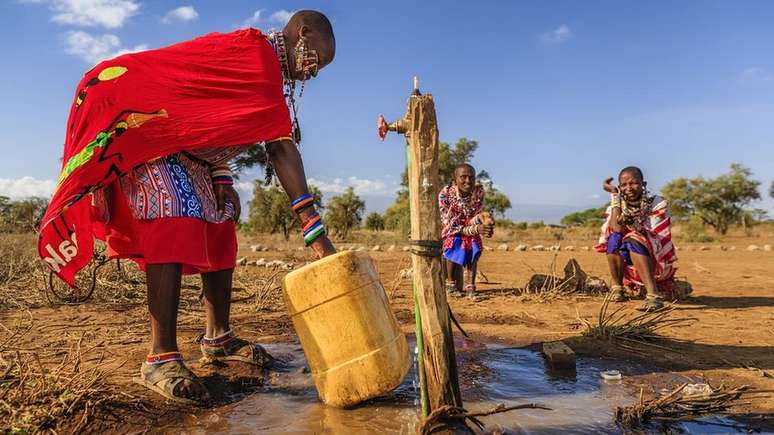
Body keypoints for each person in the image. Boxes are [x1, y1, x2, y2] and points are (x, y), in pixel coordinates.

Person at [39, 11, 337, 405]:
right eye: (316, 59)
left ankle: (218, 337)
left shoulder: (262, 67)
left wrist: (221, 178)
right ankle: (159, 358)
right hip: (139, 121)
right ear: (303, 33)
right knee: (173, 212)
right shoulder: (257, 55)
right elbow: (280, 147)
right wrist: (315, 231)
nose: (311, 73)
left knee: (220, 222)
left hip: (180, 145)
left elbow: (208, 118)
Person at [595, 166, 680, 312]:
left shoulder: (657, 202)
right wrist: (615, 195)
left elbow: (656, 237)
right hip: (630, 263)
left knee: (633, 238)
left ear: (643, 184)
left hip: (655, 261)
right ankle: (617, 288)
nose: (629, 188)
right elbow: (615, 228)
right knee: (613, 238)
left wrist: (632, 224)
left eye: (633, 183)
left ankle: (653, 296)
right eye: (623, 185)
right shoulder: (618, 204)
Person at [439, 164, 494, 300]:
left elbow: (474, 216)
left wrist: (484, 222)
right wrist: (475, 228)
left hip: (466, 228)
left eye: (471, 177)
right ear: (454, 179)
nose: (468, 181)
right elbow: (451, 224)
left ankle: (471, 286)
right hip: (449, 229)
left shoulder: (478, 193)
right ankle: (450, 285)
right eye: (463, 177)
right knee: (454, 241)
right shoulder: (445, 195)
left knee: (474, 243)